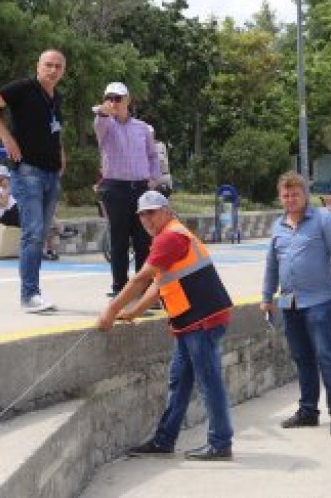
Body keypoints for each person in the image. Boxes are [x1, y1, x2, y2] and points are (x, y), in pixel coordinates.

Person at [97, 190, 236, 461]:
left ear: (167, 211)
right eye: (142, 214)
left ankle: (220, 443)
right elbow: (161, 283)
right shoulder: (168, 236)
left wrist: (112, 311)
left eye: (152, 212)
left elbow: (141, 279)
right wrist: (134, 311)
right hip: (190, 321)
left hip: (202, 319)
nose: (147, 219)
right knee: (179, 381)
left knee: (209, 382)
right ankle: (164, 441)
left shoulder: (171, 236)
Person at [261, 170, 331, 436]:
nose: (290, 199)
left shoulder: (324, 220)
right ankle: (308, 411)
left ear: (305, 195)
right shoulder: (278, 226)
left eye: (295, 194)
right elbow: (272, 264)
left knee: (326, 356)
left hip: (320, 302)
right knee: (302, 358)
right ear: (280, 198)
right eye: (286, 195)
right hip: (289, 303)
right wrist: (266, 297)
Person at [0, 49, 68, 313]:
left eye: (58, 66)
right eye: (48, 65)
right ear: (38, 67)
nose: (53, 70)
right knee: (33, 233)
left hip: (51, 174)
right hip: (28, 172)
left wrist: (61, 154)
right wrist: (5, 136)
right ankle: (29, 295)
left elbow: (53, 129)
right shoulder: (25, 88)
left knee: (42, 234)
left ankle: (34, 292)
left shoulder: (55, 97)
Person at [92, 81, 160, 298]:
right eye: (109, 98)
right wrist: (103, 112)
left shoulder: (142, 128)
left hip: (140, 187)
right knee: (119, 239)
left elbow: (152, 155)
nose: (113, 103)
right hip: (115, 187)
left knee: (143, 240)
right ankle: (119, 286)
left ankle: (143, 287)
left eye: (118, 98)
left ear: (127, 101)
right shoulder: (105, 124)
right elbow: (100, 122)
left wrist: (153, 178)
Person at [0, 165, 64, 259]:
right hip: (8, 215)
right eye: (2, 178)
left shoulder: (8, 187)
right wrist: (6, 188)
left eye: (6, 178)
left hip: (18, 209)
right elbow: (3, 203)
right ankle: (60, 229)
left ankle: (50, 249)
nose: (6, 180)